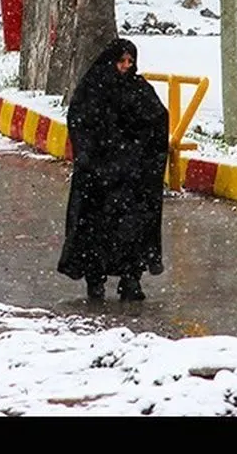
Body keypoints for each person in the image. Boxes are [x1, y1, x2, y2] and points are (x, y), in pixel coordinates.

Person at [57, 38, 169, 302]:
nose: (126, 67)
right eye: (121, 61)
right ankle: (95, 279)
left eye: (130, 62)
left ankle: (131, 279)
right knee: (96, 228)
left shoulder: (138, 89)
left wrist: (138, 154)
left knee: (131, 229)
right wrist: (95, 158)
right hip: (100, 177)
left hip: (130, 177)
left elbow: (157, 120)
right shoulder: (93, 88)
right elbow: (81, 122)